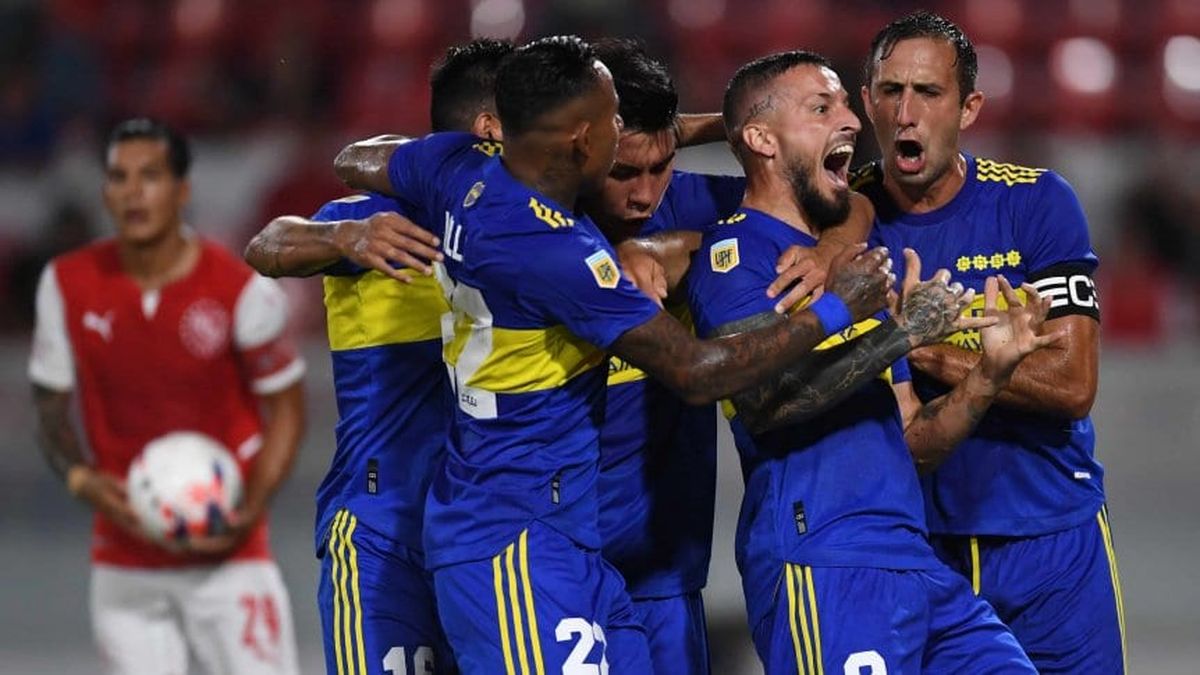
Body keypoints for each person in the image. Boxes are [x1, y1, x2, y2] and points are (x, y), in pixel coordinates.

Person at [362, 36, 896, 672]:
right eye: (616, 128)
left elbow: (359, 158)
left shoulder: (457, 168)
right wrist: (836, 308)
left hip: (590, 548)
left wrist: (818, 247)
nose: (643, 183)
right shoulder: (560, 251)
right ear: (584, 140)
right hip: (514, 534)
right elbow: (697, 372)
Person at [684, 50, 1060, 674]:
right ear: (761, 139)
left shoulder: (861, 261)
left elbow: (912, 438)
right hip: (824, 561)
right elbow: (764, 402)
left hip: (913, 558)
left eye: (845, 103)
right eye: (820, 108)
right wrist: (902, 334)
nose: (852, 120)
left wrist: (989, 375)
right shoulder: (737, 256)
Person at [851, 12, 1122, 673]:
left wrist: (924, 347)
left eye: (928, 92)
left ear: (968, 107)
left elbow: (1073, 385)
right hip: (919, 549)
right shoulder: (844, 222)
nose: (906, 114)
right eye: (891, 91)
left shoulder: (1037, 202)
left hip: (1051, 541)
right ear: (866, 102)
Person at [246, 38, 514, 675]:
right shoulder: (383, 213)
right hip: (384, 529)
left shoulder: (530, 223)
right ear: (493, 129)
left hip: (489, 535)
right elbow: (267, 245)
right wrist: (347, 236)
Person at [28, 118, 306, 675]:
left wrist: (250, 508)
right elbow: (50, 404)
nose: (133, 192)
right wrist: (83, 480)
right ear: (105, 191)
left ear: (182, 190)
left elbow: (288, 409)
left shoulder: (238, 288)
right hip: (125, 563)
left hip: (230, 559)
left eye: (150, 176)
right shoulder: (66, 284)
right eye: (119, 177)